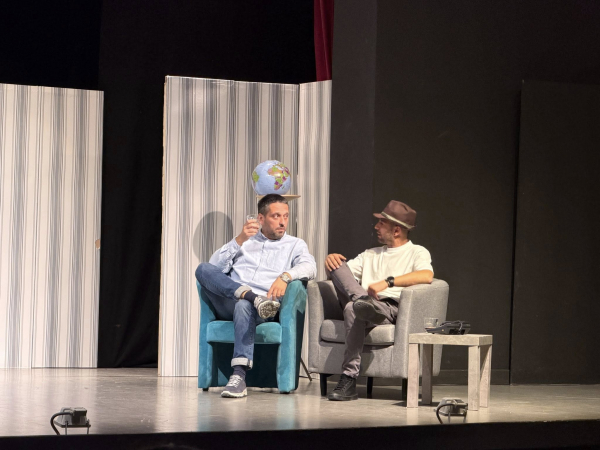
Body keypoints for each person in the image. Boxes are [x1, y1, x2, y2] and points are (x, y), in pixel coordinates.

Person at [195, 194, 317, 398]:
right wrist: (239, 240)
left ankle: (239, 376)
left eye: (286, 216)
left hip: (264, 308)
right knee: (203, 269)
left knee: (244, 305)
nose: (282, 222)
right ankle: (251, 296)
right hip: (230, 301)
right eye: (276, 216)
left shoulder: (295, 244)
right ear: (261, 218)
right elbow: (215, 268)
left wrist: (286, 276)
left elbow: (310, 267)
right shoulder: (245, 241)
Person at [324, 200, 434, 401]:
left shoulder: (417, 252)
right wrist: (330, 261)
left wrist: (387, 282)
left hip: (388, 308)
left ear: (397, 230)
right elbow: (342, 276)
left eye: (382, 223)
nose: (376, 226)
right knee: (338, 265)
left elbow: (426, 275)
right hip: (364, 301)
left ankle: (348, 378)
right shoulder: (371, 254)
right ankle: (363, 302)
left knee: (351, 308)